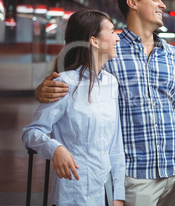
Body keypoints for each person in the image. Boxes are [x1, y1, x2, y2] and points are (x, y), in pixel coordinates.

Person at [35, 0, 175, 206]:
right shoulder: (107, 50)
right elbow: (72, 81)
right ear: (132, 3)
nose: (162, 5)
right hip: (134, 175)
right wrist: (41, 91)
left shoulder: (174, 55)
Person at [22, 10, 125, 206]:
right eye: (112, 32)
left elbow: (115, 145)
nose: (117, 38)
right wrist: (55, 148)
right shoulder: (64, 83)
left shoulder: (111, 83)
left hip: (105, 194)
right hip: (74, 195)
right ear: (94, 41)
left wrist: (118, 195)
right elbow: (31, 132)